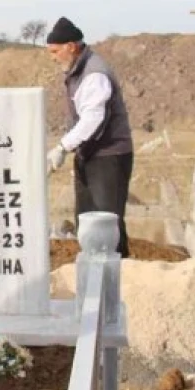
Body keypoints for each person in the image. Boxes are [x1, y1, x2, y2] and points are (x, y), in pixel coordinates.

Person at [44, 17, 134, 258]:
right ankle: (94, 276)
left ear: (71, 47)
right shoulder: (79, 71)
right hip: (91, 155)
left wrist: (63, 147)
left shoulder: (94, 74)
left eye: (55, 51)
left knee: (106, 222)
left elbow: (93, 119)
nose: (52, 57)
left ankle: (117, 277)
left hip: (109, 156)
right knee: (87, 220)